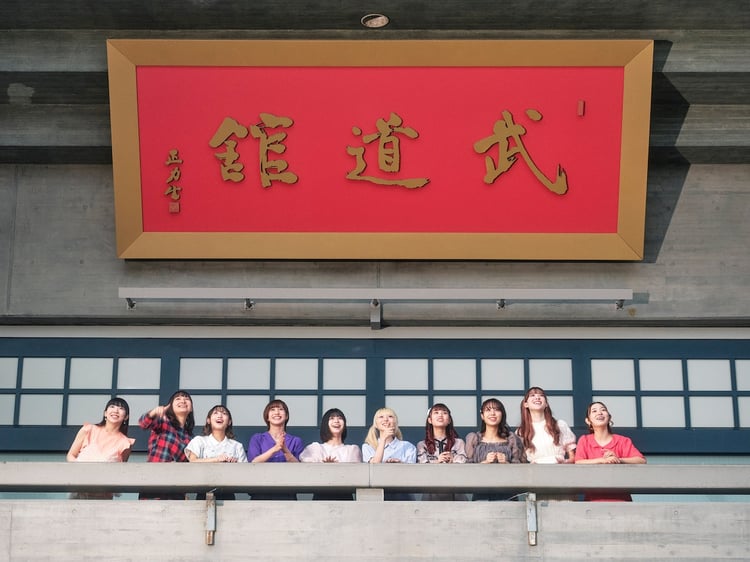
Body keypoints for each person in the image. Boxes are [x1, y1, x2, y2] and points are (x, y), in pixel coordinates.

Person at [575, 401, 646, 501]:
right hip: (593, 501)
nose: (599, 413)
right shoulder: (584, 440)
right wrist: (602, 460)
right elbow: (578, 462)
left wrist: (618, 459)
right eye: (594, 411)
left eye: (603, 410)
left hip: (621, 500)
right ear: (588, 420)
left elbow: (641, 460)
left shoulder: (623, 441)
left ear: (609, 417)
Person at [66, 397, 135, 499]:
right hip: (80, 488)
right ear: (105, 413)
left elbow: (120, 470)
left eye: (121, 408)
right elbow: (71, 455)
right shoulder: (88, 430)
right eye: (112, 406)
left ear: (126, 417)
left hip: (103, 494)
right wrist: (83, 470)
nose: (116, 410)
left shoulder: (125, 443)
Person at [138, 390, 195, 500]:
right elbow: (143, 423)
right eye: (178, 399)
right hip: (154, 484)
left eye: (186, 399)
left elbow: (190, 465)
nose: (183, 400)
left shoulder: (191, 438)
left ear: (191, 408)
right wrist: (153, 412)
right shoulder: (163, 422)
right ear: (170, 406)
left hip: (175, 489)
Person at [465, 398, 525, 500]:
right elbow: (466, 471)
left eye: (497, 410)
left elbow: (521, 471)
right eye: (488, 410)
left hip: (508, 495)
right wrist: (485, 462)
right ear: (482, 415)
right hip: (481, 495)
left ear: (502, 414)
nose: (492, 413)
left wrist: (506, 463)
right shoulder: (474, 439)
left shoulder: (512, 439)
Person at [186, 404, 247, 500]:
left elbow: (245, 473)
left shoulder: (237, 446)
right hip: (203, 492)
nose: (220, 416)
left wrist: (235, 465)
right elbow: (192, 461)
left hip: (228, 494)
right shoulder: (199, 441)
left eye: (224, 413)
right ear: (208, 420)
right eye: (215, 413)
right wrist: (217, 459)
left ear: (229, 422)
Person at [300, 407, 362, 500]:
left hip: (345, 496)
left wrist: (334, 469)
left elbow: (355, 474)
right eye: (332, 418)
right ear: (325, 424)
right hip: (321, 495)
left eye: (340, 418)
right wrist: (324, 467)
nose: (336, 421)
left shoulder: (352, 449)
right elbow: (307, 469)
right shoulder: (315, 448)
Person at [247, 399, 303, 499]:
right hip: (261, 492)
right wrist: (275, 448)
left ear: (286, 416)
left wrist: (285, 449)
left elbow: (299, 468)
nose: (277, 412)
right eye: (272, 409)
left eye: (281, 409)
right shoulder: (257, 438)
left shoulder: (295, 441)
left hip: (287, 493)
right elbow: (253, 462)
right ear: (267, 417)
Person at [416, 403, 467, 501]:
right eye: (436, 412)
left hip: (456, 494)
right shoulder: (422, 445)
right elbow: (421, 470)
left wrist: (453, 461)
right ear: (429, 420)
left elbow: (464, 466)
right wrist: (437, 462)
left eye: (444, 413)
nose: (440, 415)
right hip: (430, 495)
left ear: (449, 420)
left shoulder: (459, 442)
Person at [516, 387, 576, 464]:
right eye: (532, 395)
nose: (537, 397)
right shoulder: (521, 431)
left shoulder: (560, 425)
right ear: (526, 404)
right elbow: (520, 460)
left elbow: (573, 458)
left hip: (559, 468)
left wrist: (565, 462)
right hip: (534, 469)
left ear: (546, 404)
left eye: (541, 395)